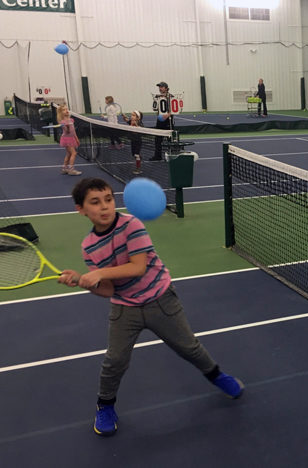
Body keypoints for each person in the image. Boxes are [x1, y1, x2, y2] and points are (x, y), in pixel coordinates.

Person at [59, 177, 244, 437]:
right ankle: (105, 406)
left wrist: (99, 273)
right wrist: (82, 281)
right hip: (125, 307)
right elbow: (109, 289)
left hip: (160, 298)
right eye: (95, 202)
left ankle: (216, 375)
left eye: (109, 200)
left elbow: (137, 267)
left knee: (189, 347)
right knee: (115, 361)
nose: (104, 207)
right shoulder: (88, 247)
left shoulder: (131, 225)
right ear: (81, 209)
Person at [151, 81, 174, 161]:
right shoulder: (158, 97)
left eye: (161, 87)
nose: (160, 88)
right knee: (157, 139)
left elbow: (175, 108)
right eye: (159, 87)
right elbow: (155, 108)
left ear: (166, 88)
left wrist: (168, 115)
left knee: (170, 139)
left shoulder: (171, 97)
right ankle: (157, 156)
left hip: (169, 121)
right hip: (160, 121)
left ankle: (172, 155)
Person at [57, 105, 82, 176]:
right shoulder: (62, 122)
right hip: (66, 139)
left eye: (66, 109)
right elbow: (67, 132)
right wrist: (66, 126)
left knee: (69, 154)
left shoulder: (71, 120)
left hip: (72, 138)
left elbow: (73, 131)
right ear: (61, 113)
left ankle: (64, 168)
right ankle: (71, 170)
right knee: (74, 153)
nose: (66, 110)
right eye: (64, 110)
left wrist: (76, 139)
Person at [122, 110, 144, 174]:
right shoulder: (131, 121)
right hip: (133, 141)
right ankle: (139, 157)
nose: (132, 116)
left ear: (138, 118)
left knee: (136, 155)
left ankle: (138, 169)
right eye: (131, 115)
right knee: (133, 154)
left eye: (133, 115)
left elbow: (138, 130)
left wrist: (135, 124)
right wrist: (124, 117)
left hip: (138, 141)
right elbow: (126, 120)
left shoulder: (140, 123)